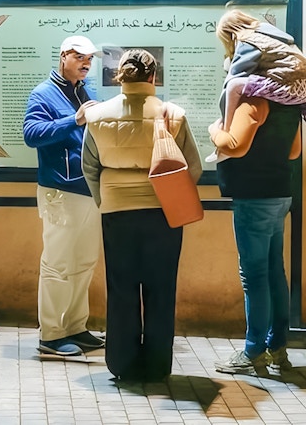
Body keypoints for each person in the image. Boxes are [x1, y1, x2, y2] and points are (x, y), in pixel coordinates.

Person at [82, 49, 202, 382]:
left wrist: (105, 200)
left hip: (117, 214)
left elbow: (89, 166)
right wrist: (169, 197)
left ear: (120, 76)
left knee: (121, 289)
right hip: (163, 214)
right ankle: (156, 365)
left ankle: (122, 364)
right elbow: (192, 167)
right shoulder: (172, 115)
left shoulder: (97, 116)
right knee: (161, 289)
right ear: (153, 77)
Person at [208, 22, 302, 375]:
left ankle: (252, 352)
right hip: (279, 193)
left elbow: (235, 145)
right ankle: (278, 349)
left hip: (254, 196)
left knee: (254, 276)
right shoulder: (287, 102)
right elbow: (294, 152)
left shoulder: (253, 99)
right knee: (274, 272)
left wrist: (213, 129)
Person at [23, 35, 105, 357]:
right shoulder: (43, 93)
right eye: (80, 57)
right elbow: (31, 135)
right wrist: (74, 119)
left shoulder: (87, 92)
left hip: (88, 189)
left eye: (90, 59)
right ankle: (51, 335)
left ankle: (75, 326)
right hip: (60, 190)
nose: (87, 63)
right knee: (57, 263)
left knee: (84, 262)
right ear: (63, 57)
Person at [206, 9, 306, 163]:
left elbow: (235, 75)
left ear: (231, 34)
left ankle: (226, 128)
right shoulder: (275, 36)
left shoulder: (247, 39)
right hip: (300, 91)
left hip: (285, 87)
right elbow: (293, 153)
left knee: (234, 85)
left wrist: (219, 128)